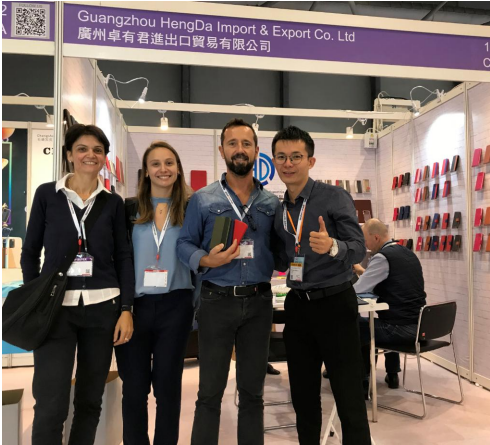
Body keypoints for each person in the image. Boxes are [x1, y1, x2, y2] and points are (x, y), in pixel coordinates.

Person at [21, 124, 134, 445]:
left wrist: (126, 309)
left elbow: (123, 257)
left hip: (103, 309)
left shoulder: (113, 202)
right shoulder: (48, 195)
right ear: (69, 155)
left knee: (89, 400)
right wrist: (37, 299)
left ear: (105, 158)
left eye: (98, 150)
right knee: (50, 403)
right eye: (82, 149)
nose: (90, 155)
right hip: (56, 311)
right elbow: (30, 253)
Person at [176, 118, 279, 445]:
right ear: (221, 150)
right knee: (209, 393)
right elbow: (183, 244)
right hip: (216, 301)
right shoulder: (203, 199)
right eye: (232, 143)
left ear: (257, 151)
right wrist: (206, 260)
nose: (239, 149)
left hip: (259, 302)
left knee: (253, 393)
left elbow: (280, 251)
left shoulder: (271, 203)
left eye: (246, 144)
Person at [272, 126, 371, 445]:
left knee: (348, 394)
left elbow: (359, 247)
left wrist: (332, 246)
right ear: (274, 161)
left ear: (310, 161)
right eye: (281, 157)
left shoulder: (334, 196)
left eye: (296, 156)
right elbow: (282, 258)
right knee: (302, 396)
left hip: (335, 304)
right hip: (297, 307)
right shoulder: (279, 209)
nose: (288, 163)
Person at [115, 141, 195, 445]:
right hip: (133, 308)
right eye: (156, 164)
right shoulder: (128, 209)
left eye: (169, 163)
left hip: (176, 305)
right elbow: (119, 258)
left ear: (178, 169)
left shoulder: (191, 209)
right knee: (134, 389)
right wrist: (123, 307)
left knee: (168, 388)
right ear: (146, 171)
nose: (164, 169)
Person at [353, 218, 427, 390]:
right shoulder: (408, 253)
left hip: (400, 329)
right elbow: (394, 280)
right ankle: (392, 374)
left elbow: (358, 289)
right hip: (420, 326)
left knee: (356, 325)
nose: (365, 245)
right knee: (383, 320)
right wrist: (363, 271)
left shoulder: (382, 258)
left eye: (365, 240)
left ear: (376, 237)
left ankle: (363, 381)